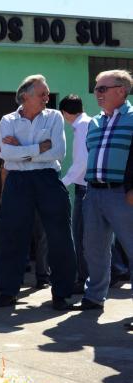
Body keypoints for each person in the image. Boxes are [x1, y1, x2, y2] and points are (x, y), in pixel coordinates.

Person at [0, 74, 76, 310]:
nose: (47, 98)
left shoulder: (54, 117)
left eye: (47, 93)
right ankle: (8, 292)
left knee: (59, 236)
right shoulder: (7, 120)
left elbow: (58, 152)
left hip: (47, 179)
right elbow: (6, 155)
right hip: (17, 180)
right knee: (12, 236)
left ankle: (61, 294)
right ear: (24, 97)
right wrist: (38, 148)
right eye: (42, 94)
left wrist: (21, 149)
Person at [80, 69, 133, 312]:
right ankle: (94, 297)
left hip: (123, 193)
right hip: (94, 193)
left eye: (102, 88)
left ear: (121, 91)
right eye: (95, 89)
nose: (96, 93)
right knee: (94, 248)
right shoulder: (94, 122)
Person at [59, 94, 90, 294]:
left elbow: (82, 162)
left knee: (80, 237)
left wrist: (63, 183)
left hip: (85, 188)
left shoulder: (82, 127)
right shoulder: (85, 123)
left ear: (64, 113)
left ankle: (84, 279)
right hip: (87, 187)